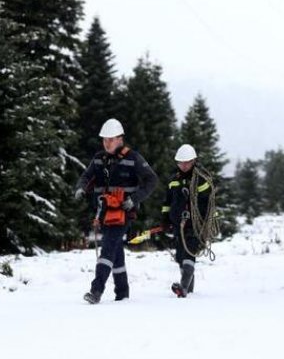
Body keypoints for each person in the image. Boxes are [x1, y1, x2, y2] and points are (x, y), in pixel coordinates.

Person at [74, 118, 157, 304]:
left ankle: (96, 290)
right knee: (115, 250)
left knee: (108, 247)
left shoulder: (133, 158)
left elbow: (152, 180)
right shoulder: (98, 159)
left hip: (123, 213)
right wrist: (81, 188)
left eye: (111, 139)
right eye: (104, 139)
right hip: (103, 212)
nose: (107, 143)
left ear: (120, 139)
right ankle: (122, 292)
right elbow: (86, 176)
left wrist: (134, 199)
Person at [160, 144, 216, 298]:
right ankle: (188, 288)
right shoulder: (173, 180)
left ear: (193, 161)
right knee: (180, 256)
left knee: (189, 253)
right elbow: (167, 202)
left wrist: (202, 222)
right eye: (180, 163)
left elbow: (207, 202)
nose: (183, 166)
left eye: (187, 163)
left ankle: (183, 287)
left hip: (194, 225)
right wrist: (165, 220)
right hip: (178, 224)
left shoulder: (200, 180)